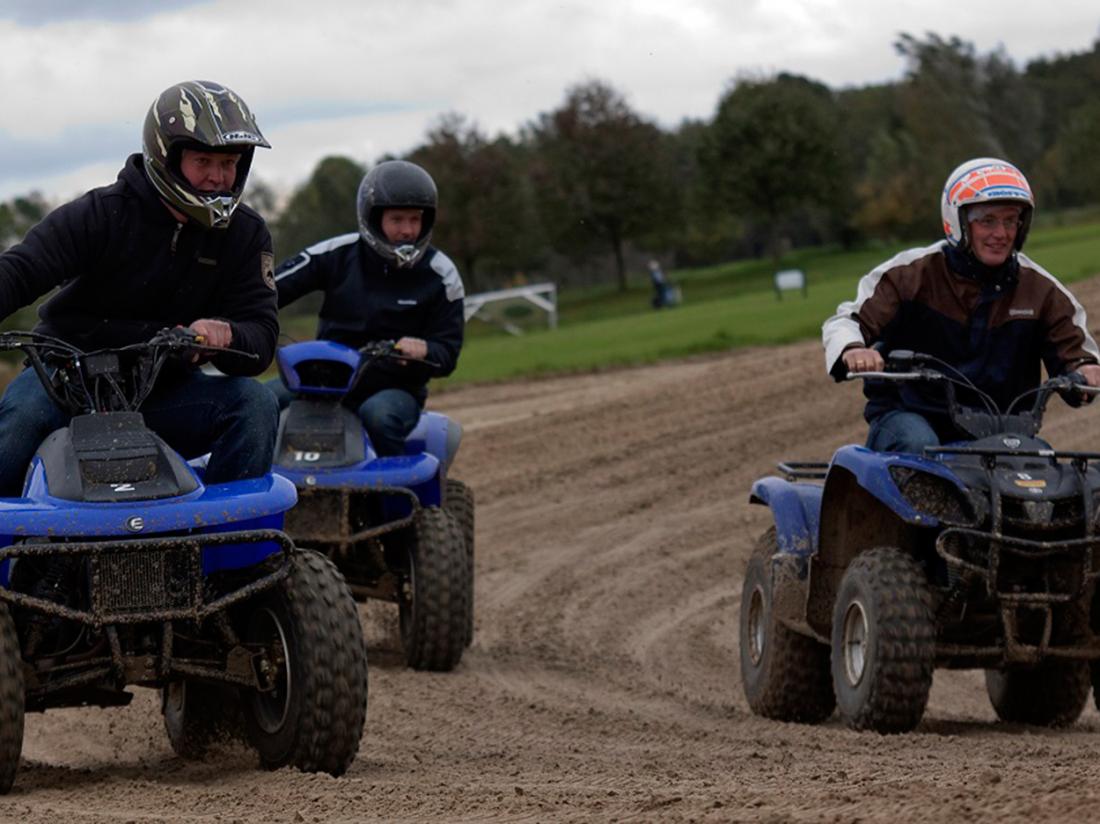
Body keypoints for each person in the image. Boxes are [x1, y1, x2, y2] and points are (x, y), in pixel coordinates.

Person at [0, 80, 279, 495]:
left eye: (229, 163)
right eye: (203, 161)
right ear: (166, 157)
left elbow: (261, 336)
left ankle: (227, 548)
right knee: (18, 425)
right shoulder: (100, 214)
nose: (218, 178)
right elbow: (20, 271)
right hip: (63, 381)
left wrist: (229, 334)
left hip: (163, 393)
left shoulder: (246, 235)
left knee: (254, 404)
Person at [822, 156, 1100, 453]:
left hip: (999, 428)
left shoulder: (1042, 290)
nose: (1001, 234)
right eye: (988, 221)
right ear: (958, 222)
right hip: (910, 416)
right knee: (919, 446)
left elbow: (1078, 354)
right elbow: (846, 322)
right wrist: (853, 349)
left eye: (1010, 221)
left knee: (1041, 464)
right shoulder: (910, 274)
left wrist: (1085, 371)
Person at [271, 159, 464, 456]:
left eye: (415, 220)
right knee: (260, 401)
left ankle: (398, 501)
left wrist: (423, 350)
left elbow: (448, 352)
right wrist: (240, 320)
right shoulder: (336, 254)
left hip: (395, 388)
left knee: (379, 416)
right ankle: (249, 495)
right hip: (323, 379)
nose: (407, 230)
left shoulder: (441, 274)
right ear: (373, 219)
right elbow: (270, 290)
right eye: (397, 220)